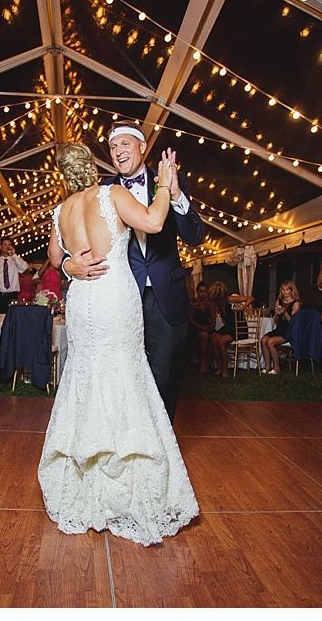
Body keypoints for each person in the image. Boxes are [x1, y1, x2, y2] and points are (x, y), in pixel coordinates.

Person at [38, 142, 198, 546]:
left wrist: (73, 263)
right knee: (124, 377)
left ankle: (87, 478)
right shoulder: (111, 194)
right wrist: (164, 185)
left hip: (82, 302)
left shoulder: (60, 211)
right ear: (92, 167)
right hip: (112, 296)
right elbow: (154, 222)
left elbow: (56, 261)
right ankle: (125, 483)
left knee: (85, 379)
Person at [63, 123, 206, 422]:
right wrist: (68, 266)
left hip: (165, 296)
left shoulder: (168, 181)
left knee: (165, 374)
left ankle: (159, 448)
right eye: (114, 147)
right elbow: (73, 241)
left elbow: (194, 236)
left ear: (142, 147)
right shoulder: (103, 192)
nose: (118, 152)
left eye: (125, 144)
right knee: (121, 375)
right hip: (120, 299)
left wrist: (176, 194)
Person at [207, 282, 253, 378]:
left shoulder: (230, 299)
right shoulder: (216, 304)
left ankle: (225, 370)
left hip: (238, 328)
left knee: (221, 341)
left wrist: (242, 307)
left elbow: (250, 298)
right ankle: (219, 368)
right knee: (214, 338)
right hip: (228, 327)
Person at [261, 280, 302, 375]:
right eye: (283, 289)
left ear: (292, 290)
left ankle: (277, 368)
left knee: (270, 342)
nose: (284, 292)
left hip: (290, 330)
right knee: (263, 340)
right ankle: (267, 367)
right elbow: (276, 321)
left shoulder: (296, 303)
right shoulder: (278, 301)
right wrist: (276, 314)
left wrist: (284, 312)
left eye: (287, 289)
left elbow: (292, 322)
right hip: (280, 328)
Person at [0, 237, 27, 314]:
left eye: (9, 245)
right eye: (5, 245)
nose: (7, 247)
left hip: (12, 296)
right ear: (1, 246)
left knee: (12, 320)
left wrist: (14, 255)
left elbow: (23, 268)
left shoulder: (16, 260)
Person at [188, 281, 214, 374]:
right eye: (201, 291)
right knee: (204, 335)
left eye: (204, 291)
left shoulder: (209, 304)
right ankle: (203, 364)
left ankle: (208, 362)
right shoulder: (193, 303)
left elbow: (213, 318)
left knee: (214, 337)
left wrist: (211, 326)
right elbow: (191, 320)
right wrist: (202, 327)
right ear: (197, 292)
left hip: (206, 327)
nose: (203, 294)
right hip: (195, 327)